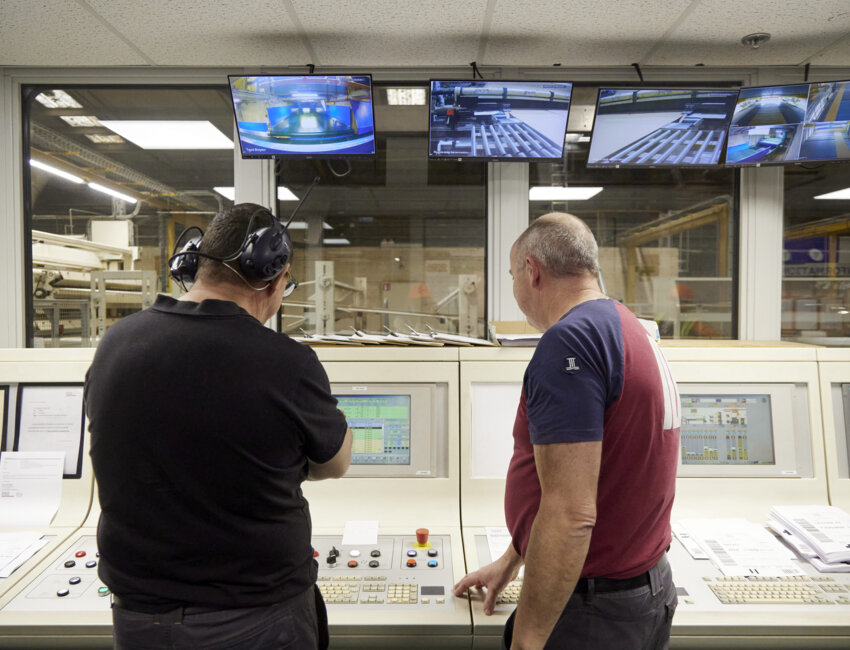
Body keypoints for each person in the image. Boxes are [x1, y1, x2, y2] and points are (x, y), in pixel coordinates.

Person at [85, 203, 352, 650]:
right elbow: (336, 462)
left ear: (195, 261)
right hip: (258, 617)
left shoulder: (115, 344)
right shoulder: (286, 362)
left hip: (139, 618)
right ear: (274, 272)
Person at [454, 212, 681, 650]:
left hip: (594, 613)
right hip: (643, 592)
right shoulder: (626, 327)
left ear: (531, 271)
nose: (515, 290)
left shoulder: (571, 343)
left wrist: (528, 641)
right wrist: (514, 558)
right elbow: (600, 470)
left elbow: (571, 514)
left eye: (512, 276)